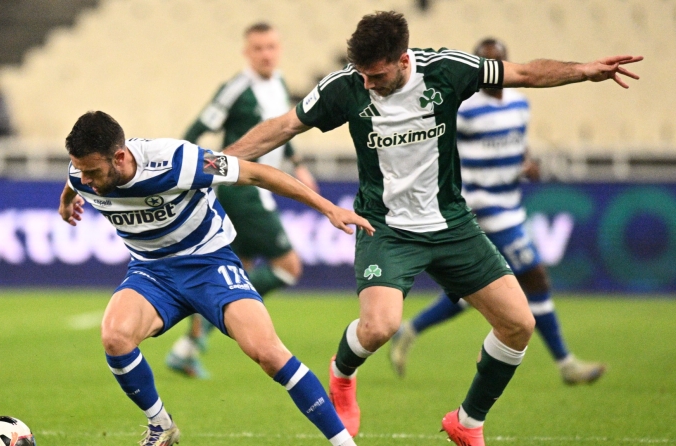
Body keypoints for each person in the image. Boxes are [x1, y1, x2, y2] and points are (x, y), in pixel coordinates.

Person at [221, 11, 641, 445]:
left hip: (451, 223)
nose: (367, 84)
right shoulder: (346, 85)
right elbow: (285, 126)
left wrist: (584, 70)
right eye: (362, 75)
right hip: (385, 227)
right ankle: (342, 373)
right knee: (378, 328)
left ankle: (468, 422)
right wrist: (217, 163)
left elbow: (524, 73)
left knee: (519, 323)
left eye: (376, 75)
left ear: (403, 60)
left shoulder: (446, 70)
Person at [58, 111, 373, 446]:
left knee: (268, 353)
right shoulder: (82, 173)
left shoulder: (178, 161)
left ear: (119, 157)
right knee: (115, 337)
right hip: (151, 272)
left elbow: (257, 174)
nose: (86, 179)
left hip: (209, 265)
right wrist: (66, 203)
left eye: (92, 172)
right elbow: (73, 182)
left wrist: (328, 208)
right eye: (80, 171)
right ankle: (161, 425)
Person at [389, 38, 606, 386]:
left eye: (497, 61)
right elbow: (435, 143)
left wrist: (526, 164)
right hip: (481, 206)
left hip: (510, 203)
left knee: (476, 292)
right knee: (534, 278)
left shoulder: (519, 103)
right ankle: (565, 364)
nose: (490, 70)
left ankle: (411, 329)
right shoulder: (465, 108)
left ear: (505, 63)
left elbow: (518, 144)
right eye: (484, 62)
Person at [165, 22, 318, 379]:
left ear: (279, 49)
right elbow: (197, 129)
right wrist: (184, 171)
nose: (266, 54)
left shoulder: (279, 83)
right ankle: (216, 316)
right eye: (258, 48)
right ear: (247, 52)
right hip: (241, 190)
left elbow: (281, 131)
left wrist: (297, 163)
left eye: (271, 47)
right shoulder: (236, 89)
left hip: (259, 188)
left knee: (235, 272)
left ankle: (187, 349)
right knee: (288, 267)